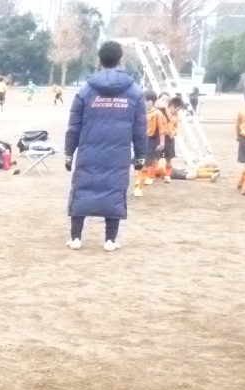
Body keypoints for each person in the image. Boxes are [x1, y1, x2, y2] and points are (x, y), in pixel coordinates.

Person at [64, 41, 147, 251]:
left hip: (88, 152)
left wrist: (68, 153)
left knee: (82, 189)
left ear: (99, 60)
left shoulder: (85, 90)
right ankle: (110, 240)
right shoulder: (134, 92)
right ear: (120, 60)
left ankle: (76, 238)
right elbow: (140, 128)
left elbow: (74, 126)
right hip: (118, 154)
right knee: (115, 191)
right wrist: (140, 155)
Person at [133, 90, 166, 197]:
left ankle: (139, 188)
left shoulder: (157, 113)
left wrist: (162, 142)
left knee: (146, 165)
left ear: (153, 101)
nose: (145, 103)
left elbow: (161, 129)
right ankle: (140, 180)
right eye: (144, 101)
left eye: (148, 101)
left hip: (151, 141)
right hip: (140, 140)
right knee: (138, 163)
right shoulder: (139, 112)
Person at [162, 96, 186, 182]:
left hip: (170, 139)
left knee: (169, 158)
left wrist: (174, 132)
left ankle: (167, 175)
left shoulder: (176, 116)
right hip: (161, 137)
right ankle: (150, 174)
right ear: (172, 106)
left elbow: (176, 127)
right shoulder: (162, 113)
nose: (178, 111)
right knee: (155, 157)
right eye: (178, 109)